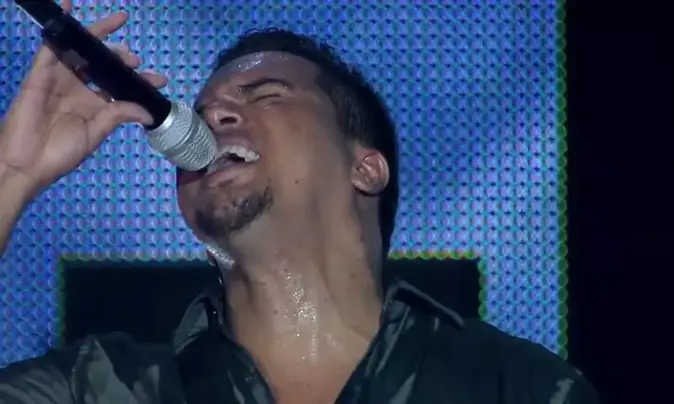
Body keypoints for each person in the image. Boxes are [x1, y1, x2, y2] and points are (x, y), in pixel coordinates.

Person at [0, 1, 599, 403]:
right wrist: (11, 174)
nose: (214, 113)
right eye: (204, 110)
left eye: (266, 95)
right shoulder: (101, 388)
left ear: (365, 168)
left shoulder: (518, 388)